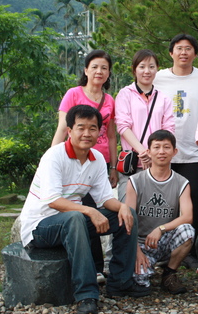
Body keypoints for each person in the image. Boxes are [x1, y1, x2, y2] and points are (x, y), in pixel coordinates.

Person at [20, 105, 149, 314]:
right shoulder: (54, 156)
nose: (87, 133)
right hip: (40, 227)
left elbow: (106, 198)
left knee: (126, 215)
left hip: (73, 223)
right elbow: (52, 200)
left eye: (92, 128)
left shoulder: (97, 159)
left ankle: (120, 282)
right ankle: (86, 294)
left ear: (99, 132)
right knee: (75, 217)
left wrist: (123, 207)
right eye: (81, 128)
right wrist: (90, 211)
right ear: (69, 130)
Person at [51, 49, 117, 283]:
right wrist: (52, 156)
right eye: (95, 67)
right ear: (86, 70)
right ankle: (94, 268)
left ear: (109, 74)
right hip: (74, 159)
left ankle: (98, 268)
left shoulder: (110, 100)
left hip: (99, 164)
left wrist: (113, 167)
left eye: (104, 68)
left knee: (96, 211)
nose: (99, 71)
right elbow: (62, 127)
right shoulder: (73, 94)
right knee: (86, 213)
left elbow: (111, 136)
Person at [154, 34, 198, 240]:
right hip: (163, 151)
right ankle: (164, 248)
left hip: (195, 151)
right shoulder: (158, 78)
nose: (183, 52)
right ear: (171, 53)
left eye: (188, 48)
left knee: (195, 199)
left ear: (195, 54)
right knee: (163, 201)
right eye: (179, 48)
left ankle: (194, 248)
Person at [125, 130, 194, 295]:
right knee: (140, 283)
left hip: (165, 239)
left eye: (166, 147)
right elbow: (128, 220)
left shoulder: (182, 182)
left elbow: (187, 217)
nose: (161, 152)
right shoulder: (135, 181)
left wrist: (161, 229)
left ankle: (169, 273)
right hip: (141, 243)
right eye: (156, 147)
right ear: (148, 152)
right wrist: (136, 251)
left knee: (187, 231)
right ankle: (146, 266)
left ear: (174, 151)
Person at [115, 49, 175, 203]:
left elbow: (168, 130)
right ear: (134, 69)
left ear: (157, 69)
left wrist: (154, 154)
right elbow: (123, 126)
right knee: (128, 209)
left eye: (151, 66)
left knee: (156, 210)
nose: (147, 71)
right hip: (133, 163)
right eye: (142, 67)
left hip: (158, 165)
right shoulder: (125, 94)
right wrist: (143, 151)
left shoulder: (163, 98)